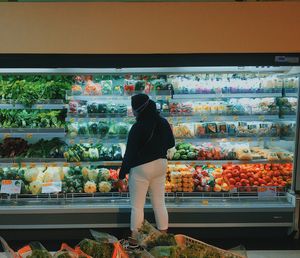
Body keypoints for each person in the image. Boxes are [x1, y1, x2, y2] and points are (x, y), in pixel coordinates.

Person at [119, 93, 175, 240]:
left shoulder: (137, 127)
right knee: (159, 203)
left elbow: (129, 154)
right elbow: (171, 144)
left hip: (141, 169)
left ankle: (135, 241)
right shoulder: (163, 122)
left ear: (138, 110)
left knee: (137, 206)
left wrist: (121, 175)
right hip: (161, 166)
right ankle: (164, 237)